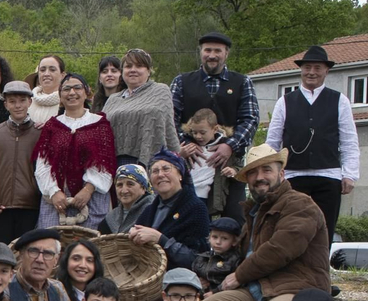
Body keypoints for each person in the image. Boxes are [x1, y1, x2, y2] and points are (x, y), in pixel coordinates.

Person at [194, 144, 331, 301]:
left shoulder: (300, 204)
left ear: (282, 173)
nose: (259, 178)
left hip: (295, 288)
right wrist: (214, 286)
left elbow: (280, 249)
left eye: (266, 170)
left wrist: (238, 276)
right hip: (256, 288)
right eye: (253, 173)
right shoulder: (254, 210)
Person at [264, 45, 360, 235]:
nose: (311, 72)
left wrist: (349, 174)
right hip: (293, 176)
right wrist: (270, 175)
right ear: (301, 70)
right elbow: (272, 142)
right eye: (307, 68)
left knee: (324, 230)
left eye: (317, 68)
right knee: (291, 229)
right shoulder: (284, 102)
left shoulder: (340, 100)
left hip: (329, 176)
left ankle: (321, 265)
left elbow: (349, 140)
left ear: (326, 70)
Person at [170, 32, 258, 223]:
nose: (212, 55)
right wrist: (184, 144)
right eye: (207, 50)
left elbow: (250, 119)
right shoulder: (181, 82)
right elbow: (170, 118)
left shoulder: (242, 82)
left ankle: (231, 254)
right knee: (185, 218)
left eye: (217, 51)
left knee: (235, 218)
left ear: (226, 54)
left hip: (229, 166)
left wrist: (230, 145)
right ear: (200, 52)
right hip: (190, 164)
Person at [34, 73, 116, 229]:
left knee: (90, 246)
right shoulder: (52, 126)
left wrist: (88, 189)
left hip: (92, 196)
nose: (72, 93)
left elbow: (106, 162)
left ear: (86, 92)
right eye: (66, 89)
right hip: (57, 198)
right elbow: (43, 163)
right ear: (60, 95)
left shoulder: (100, 124)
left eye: (77, 87)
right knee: (53, 245)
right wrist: (54, 192)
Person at [124, 149, 212, 271]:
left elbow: (199, 260)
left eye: (166, 169)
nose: (160, 174)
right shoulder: (149, 211)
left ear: (180, 175)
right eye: (155, 171)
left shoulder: (196, 208)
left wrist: (161, 240)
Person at [0, 80, 43, 244]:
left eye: (22, 101)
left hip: (31, 207)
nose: (18, 106)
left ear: (30, 102)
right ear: (5, 104)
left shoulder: (40, 133)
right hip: (1, 208)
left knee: (26, 254)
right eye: (12, 101)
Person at [102, 50, 180, 166]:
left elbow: (166, 124)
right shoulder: (113, 99)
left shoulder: (160, 90)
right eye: (128, 66)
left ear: (148, 71)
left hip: (151, 159)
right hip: (114, 162)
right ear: (123, 72)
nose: (133, 70)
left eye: (139, 66)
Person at [7, 228, 74, 301]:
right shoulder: (5, 288)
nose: (40, 260)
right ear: (21, 255)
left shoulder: (57, 289)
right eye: (34, 252)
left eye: (47, 254)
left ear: (56, 260)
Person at [181, 109, 239, 219]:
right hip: (185, 193)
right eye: (194, 132)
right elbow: (171, 163)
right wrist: (180, 154)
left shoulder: (224, 147)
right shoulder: (186, 143)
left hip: (206, 196)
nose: (198, 136)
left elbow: (239, 166)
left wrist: (233, 171)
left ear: (215, 129)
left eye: (202, 133)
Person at [190, 216, 243, 294]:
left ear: (234, 241)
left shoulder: (235, 260)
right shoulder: (201, 258)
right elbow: (192, 276)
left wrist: (215, 292)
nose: (218, 242)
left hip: (221, 296)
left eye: (224, 238)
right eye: (214, 237)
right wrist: (196, 283)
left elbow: (235, 284)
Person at [101, 163, 154, 234]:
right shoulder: (110, 218)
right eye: (119, 185)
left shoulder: (153, 212)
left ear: (143, 188)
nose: (124, 190)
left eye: (130, 184)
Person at [26, 54, 67, 125]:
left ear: (62, 75)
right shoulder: (27, 101)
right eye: (42, 70)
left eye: (52, 70)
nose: (46, 74)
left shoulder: (69, 102)